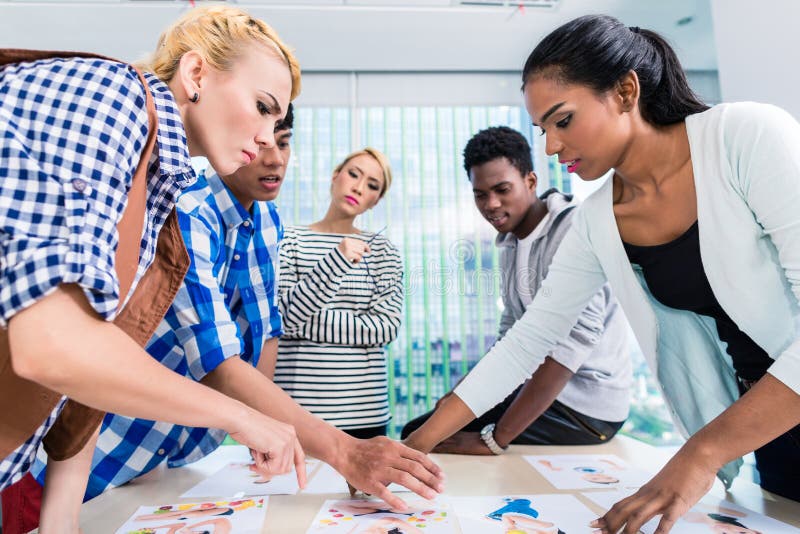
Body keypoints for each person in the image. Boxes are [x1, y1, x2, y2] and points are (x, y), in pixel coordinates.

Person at [404, 14, 800, 534]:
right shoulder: (598, 220)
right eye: (542, 129)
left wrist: (699, 455)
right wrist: (412, 447)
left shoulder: (744, 136)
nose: (549, 146)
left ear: (625, 91)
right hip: (768, 422)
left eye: (562, 121)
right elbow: (531, 338)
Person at [27, 108, 441, 526]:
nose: (275, 158)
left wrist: (266, 425)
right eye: (260, 141)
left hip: (171, 454)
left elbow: (278, 328)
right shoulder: (188, 212)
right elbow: (230, 354)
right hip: (98, 446)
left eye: (283, 141)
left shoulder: (269, 223)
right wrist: (338, 447)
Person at [0, 5, 304, 531]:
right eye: (261, 107)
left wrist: (61, 522)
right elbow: (52, 345)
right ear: (195, 74)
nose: (265, 139)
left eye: (278, 124)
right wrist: (241, 417)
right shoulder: (109, 96)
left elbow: (90, 360)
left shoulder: (158, 186)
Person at [400, 126, 630, 453]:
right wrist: (458, 395)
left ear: (531, 182)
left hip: (586, 408)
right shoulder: (511, 241)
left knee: (432, 436)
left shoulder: (573, 231)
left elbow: (567, 350)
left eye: (502, 189)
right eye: (481, 194)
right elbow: (511, 335)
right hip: (543, 389)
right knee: (430, 422)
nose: (491, 204)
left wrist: (495, 439)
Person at [276, 147, 402, 438]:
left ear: (376, 201)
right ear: (336, 176)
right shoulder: (291, 239)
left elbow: (385, 328)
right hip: (297, 411)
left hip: (365, 412)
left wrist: (305, 322)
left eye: (372, 185)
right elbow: (282, 319)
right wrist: (337, 260)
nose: (358, 187)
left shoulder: (382, 250)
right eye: (354, 175)